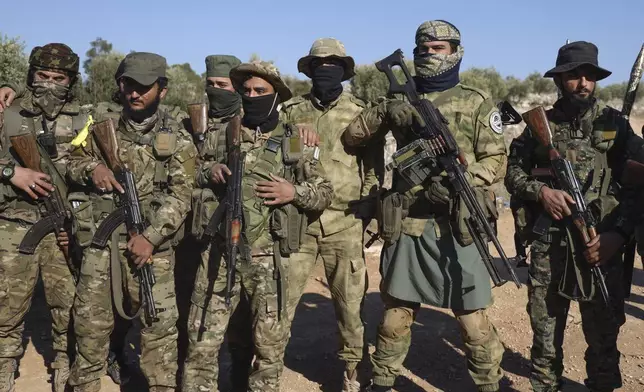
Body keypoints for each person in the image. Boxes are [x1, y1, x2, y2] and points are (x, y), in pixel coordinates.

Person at [343, 20, 507, 392]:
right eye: (423, 50)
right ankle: (383, 382)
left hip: (459, 223)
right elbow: (352, 136)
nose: (430, 55)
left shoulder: (478, 100)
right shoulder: (400, 96)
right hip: (410, 224)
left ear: (456, 52)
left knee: (472, 322)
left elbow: (497, 160)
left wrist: (460, 179)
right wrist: (387, 109)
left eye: (439, 49)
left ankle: (488, 385)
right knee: (394, 318)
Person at [181, 60, 333, 392]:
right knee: (202, 344)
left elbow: (324, 192)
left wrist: (292, 192)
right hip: (219, 256)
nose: (251, 96)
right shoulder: (222, 133)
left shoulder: (294, 139)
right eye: (246, 90)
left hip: (270, 261)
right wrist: (212, 172)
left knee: (268, 351)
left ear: (276, 95)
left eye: (260, 91)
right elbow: (189, 176)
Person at [505, 41, 644, 392]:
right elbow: (513, 172)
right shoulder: (542, 126)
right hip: (549, 244)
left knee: (603, 333)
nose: (583, 83)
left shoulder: (616, 124)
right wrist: (542, 192)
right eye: (574, 76)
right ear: (559, 80)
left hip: (601, 244)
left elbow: (638, 187)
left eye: (589, 76)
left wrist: (619, 235)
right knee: (545, 331)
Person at [65, 52, 197, 392]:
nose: (134, 93)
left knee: (158, 335)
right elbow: (70, 160)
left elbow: (181, 196)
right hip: (102, 247)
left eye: (143, 87)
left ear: (162, 90)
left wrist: (150, 237)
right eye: (127, 84)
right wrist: (91, 169)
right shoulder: (96, 128)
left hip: (152, 252)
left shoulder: (178, 139)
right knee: (90, 329)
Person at [280, 37, 377, 392]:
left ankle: (352, 375)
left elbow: (373, 168)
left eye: (333, 64)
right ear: (310, 69)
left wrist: (371, 212)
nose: (325, 70)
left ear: (344, 70)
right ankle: (269, 370)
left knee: (351, 308)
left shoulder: (360, 112)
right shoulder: (290, 111)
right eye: (319, 65)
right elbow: (283, 159)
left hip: (346, 222)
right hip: (298, 220)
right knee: (281, 301)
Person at [0, 43, 88, 392]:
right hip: (14, 224)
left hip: (63, 225)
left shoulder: (84, 118)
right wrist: (11, 173)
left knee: (66, 303)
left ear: (71, 80)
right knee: (8, 303)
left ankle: (64, 363)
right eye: (43, 76)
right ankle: (4, 364)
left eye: (59, 78)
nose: (50, 84)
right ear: (30, 75)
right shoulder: (7, 112)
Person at [179, 54, 254, 391]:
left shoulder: (253, 121)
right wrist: (207, 171)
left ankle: (239, 372)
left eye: (222, 85)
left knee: (237, 313)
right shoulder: (193, 121)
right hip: (193, 231)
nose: (215, 91)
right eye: (210, 85)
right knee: (194, 310)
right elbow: (178, 171)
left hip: (235, 233)